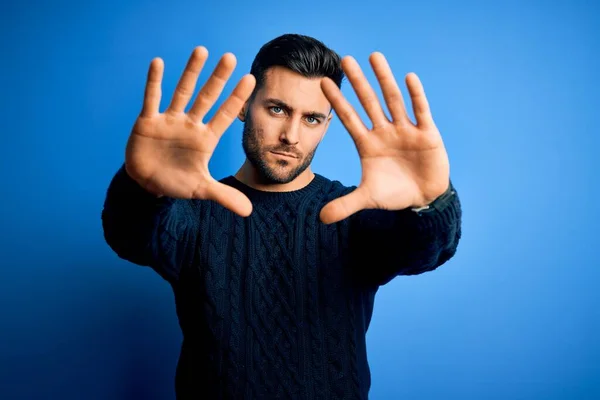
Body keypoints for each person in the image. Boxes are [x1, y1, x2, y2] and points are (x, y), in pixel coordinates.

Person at [101, 33, 462, 399]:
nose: (292, 135)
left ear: (327, 123)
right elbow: (129, 234)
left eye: (312, 119)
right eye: (277, 109)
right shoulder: (193, 212)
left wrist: (431, 202)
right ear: (244, 105)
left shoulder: (352, 213)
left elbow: (425, 250)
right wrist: (143, 186)